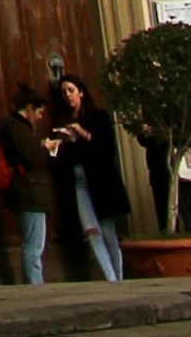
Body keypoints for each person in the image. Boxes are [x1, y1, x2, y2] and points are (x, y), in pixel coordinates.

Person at [49, 64, 130, 280]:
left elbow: (107, 148)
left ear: (81, 92)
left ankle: (118, 279)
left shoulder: (98, 117)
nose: (68, 95)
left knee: (109, 232)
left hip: (101, 181)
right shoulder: (60, 121)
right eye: (64, 92)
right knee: (91, 233)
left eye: (71, 90)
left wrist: (84, 134)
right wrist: (58, 145)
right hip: (78, 182)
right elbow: (58, 160)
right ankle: (110, 278)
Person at [0, 75, 54, 281]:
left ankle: (34, 284)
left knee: (33, 244)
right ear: (29, 108)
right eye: (39, 112)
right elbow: (31, 159)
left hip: (28, 192)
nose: (40, 117)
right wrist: (46, 149)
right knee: (33, 246)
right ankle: (35, 288)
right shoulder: (17, 129)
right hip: (30, 193)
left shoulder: (15, 128)